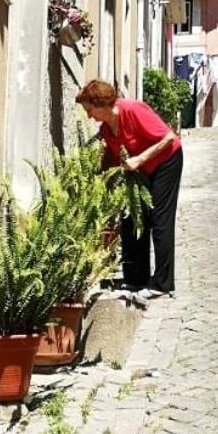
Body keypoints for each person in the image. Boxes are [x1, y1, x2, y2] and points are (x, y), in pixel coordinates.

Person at [76, 78, 182, 296]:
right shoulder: (106, 129)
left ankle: (162, 284)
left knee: (159, 219)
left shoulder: (133, 109)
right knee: (132, 217)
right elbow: (108, 163)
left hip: (166, 161)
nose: (89, 116)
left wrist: (139, 160)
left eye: (90, 109)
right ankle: (136, 279)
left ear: (103, 104)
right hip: (140, 171)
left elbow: (169, 138)